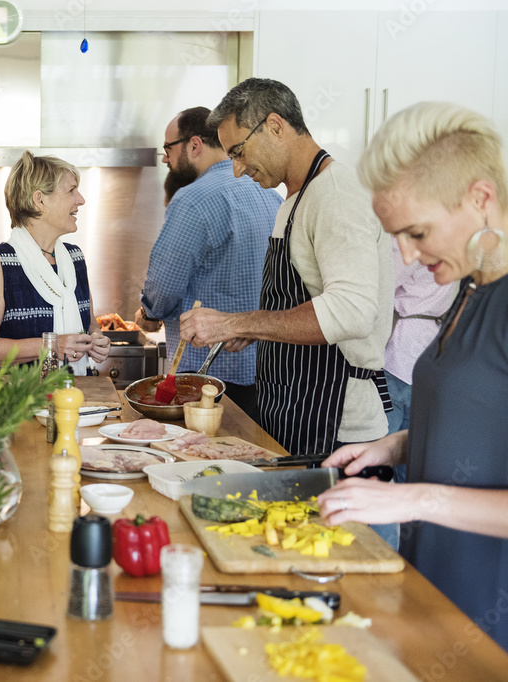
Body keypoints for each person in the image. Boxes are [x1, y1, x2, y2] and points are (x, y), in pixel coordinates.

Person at [318, 102, 508, 652]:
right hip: (438, 603)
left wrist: (412, 501)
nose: (405, 254)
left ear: (480, 198)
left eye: (416, 232)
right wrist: (397, 446)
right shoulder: (471, 288)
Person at [179, 78, 394, 456]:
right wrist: (258, 327)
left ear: (275, 126)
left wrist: (237, 323)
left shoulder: (335, 195)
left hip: (335, 426)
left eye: (239, 151)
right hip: (294, 413)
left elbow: (352, 312)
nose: (236, 170)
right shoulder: (296, 199)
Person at [136, 106, 281, 420]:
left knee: (202, 458)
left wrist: (148, 313)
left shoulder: (192, 199)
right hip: (265, 368)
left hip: (209, 375)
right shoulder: (268, 193)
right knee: (242, 455)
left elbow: (163, 286)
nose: (165, 159)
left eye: (168, 149)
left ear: (194, 145)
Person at [0, 151, 110, 370]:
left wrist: (96, 339)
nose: (81, 199)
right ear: (40, 200)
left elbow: (89, 323)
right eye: (71, 190)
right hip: (18, 400)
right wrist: (50, 345)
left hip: (77, 398)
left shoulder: (75, 258)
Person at [384, 242, 457, 434]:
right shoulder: (452, 242)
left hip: (397, 352)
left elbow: (382, 284)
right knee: (407, 446)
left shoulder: (414, 240)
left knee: (382, 441)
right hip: (427, 350)